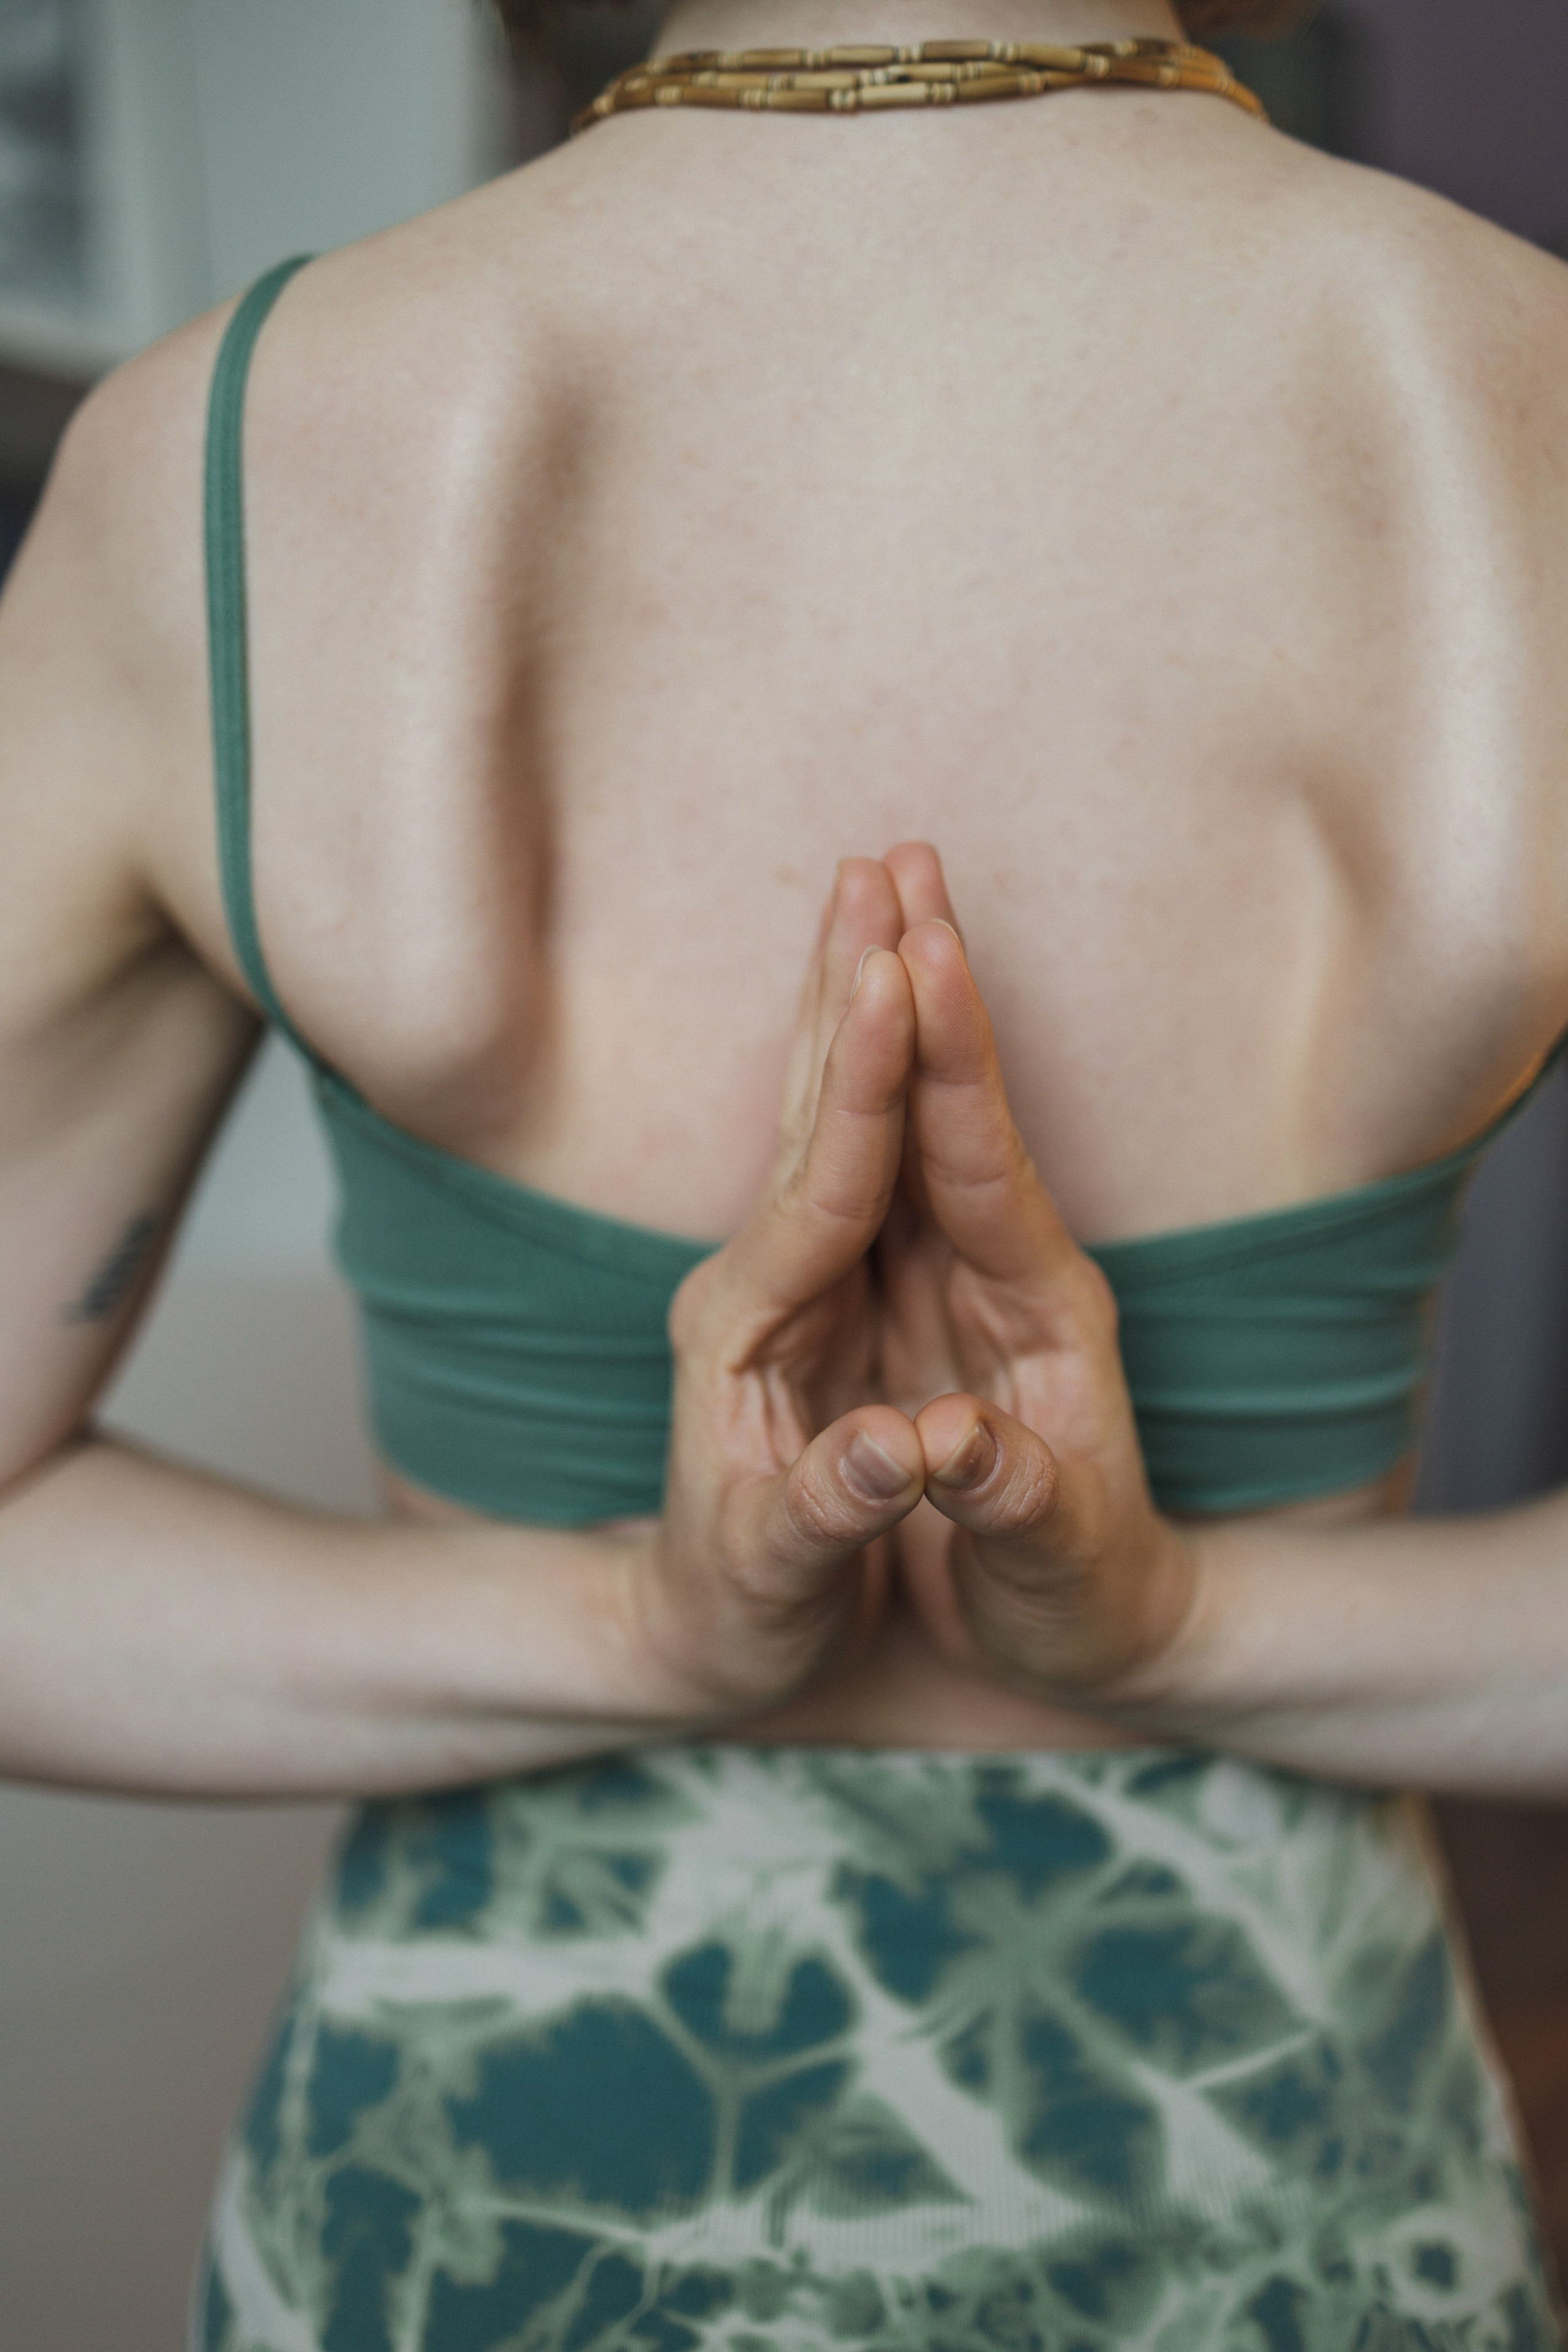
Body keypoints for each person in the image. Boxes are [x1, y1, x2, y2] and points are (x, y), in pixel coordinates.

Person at [2, 0, 1567, 2339]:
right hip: (1277, 2173)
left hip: (501, 2199)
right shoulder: (1512, 406)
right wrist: (1185, 1632)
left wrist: (641, 1626)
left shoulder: (238, 460)